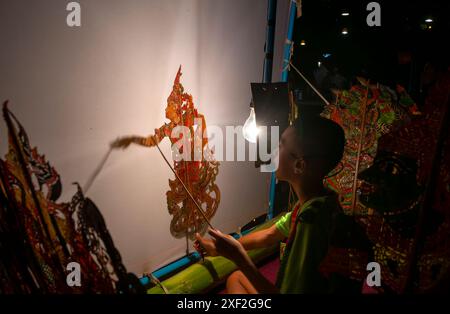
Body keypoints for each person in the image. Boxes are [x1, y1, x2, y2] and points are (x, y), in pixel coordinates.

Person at [195, 114, 346, 293]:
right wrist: (222, 248)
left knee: (238, 278)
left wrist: (239, 258)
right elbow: (269, 235)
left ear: (299, 165)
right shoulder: (316, 203)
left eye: (281, 144)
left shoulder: (311, 223)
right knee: (237, 279)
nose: (274, 149)